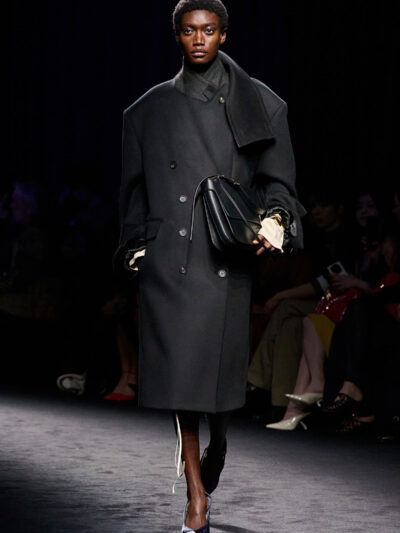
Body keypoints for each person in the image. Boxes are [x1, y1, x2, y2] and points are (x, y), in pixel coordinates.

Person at [115, 1, 304, 531]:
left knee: (216, 380)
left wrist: (276, 219)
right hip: (170, 260)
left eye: (209, 30)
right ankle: (196, 496)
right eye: (189, 31)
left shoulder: (260, 103)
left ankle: (219, 439)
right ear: (177, 36)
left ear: (224, 34)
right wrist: (137, 243)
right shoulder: (146, 111)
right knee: (180, 379)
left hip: (223, 253)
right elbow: (132, 192)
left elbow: (280, 182)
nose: (199, 40)